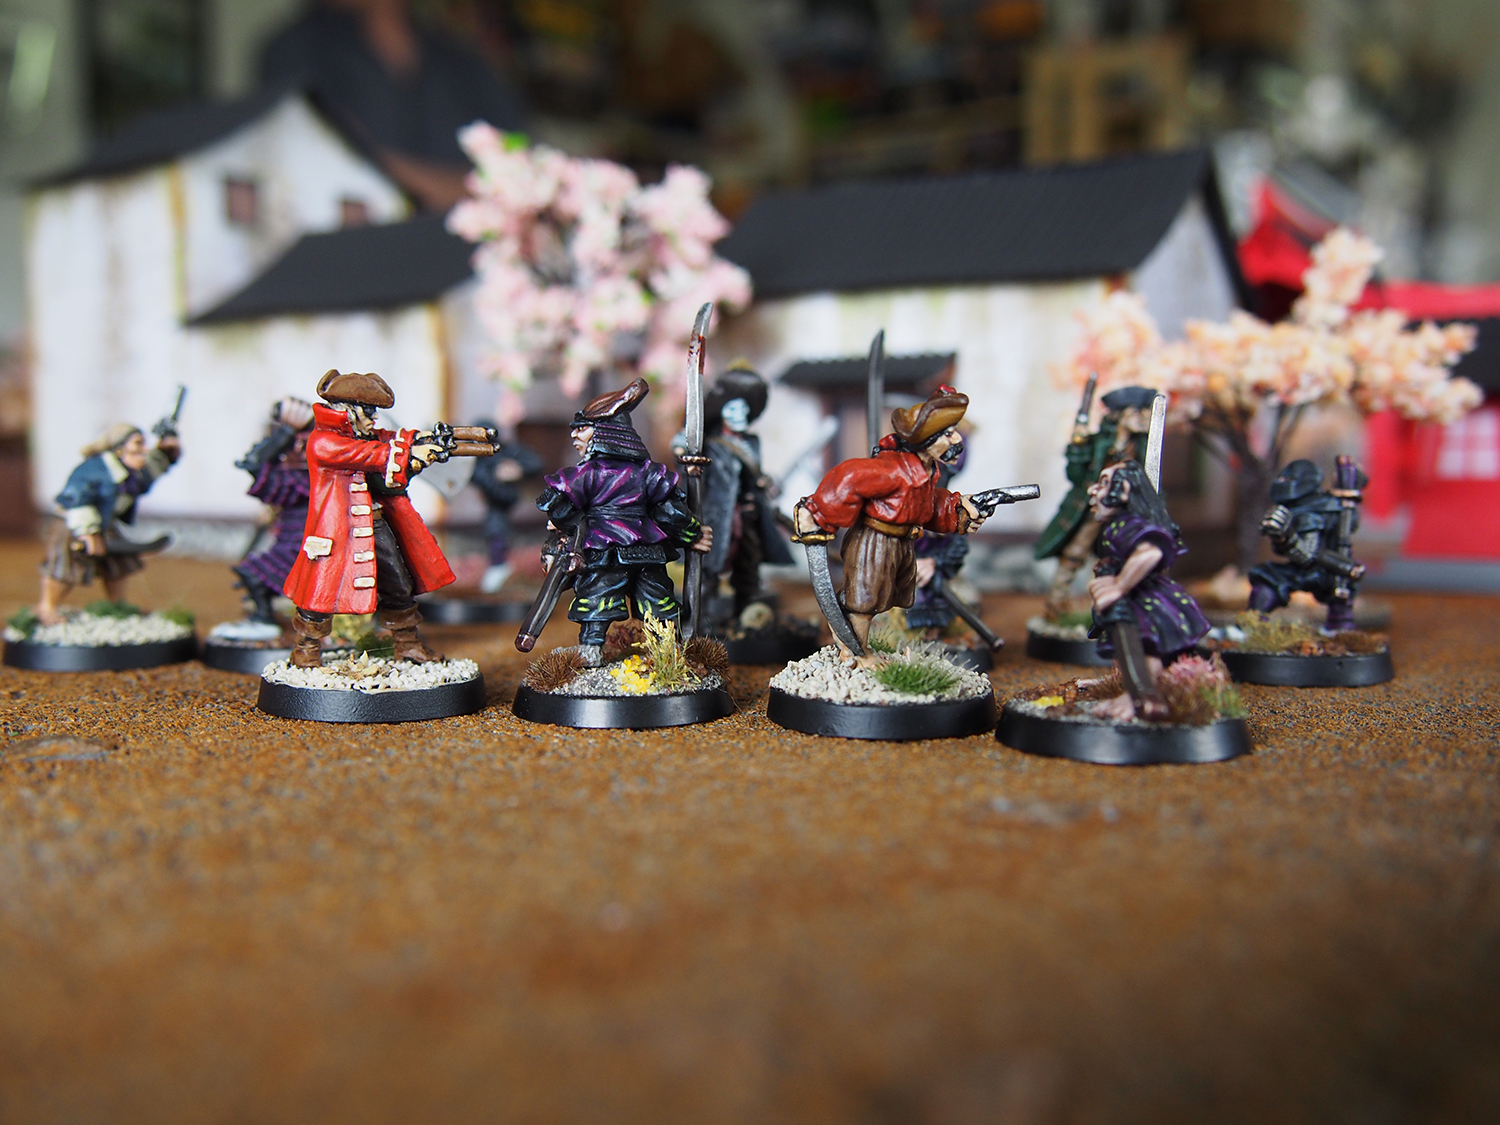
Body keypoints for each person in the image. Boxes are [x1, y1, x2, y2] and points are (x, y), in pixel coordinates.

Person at [259, 0, 527, 211]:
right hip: (360, 253)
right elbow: (319, 166)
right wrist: (462, 192)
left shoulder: (461, 59)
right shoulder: (295, 51)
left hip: (470, 254)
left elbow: (519, 164)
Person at [791, 385, 991, 662]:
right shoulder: (894, 469)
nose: (956, 439)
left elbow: (929, 506)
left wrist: (959, 511)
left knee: (882, 598)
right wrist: (818, 512)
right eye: (947, 433)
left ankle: (848, 631)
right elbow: (849, 478)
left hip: (900, 542)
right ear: (927, 438)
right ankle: (856, 654)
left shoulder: (925, 470)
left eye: (954, 430)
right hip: (876, 542)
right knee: (866, 601)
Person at [282, 369, 455, 667]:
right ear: (349, 411)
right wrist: (410, 454)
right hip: (335, 533)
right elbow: (370, 454)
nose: (373, 418)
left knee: (398, 584)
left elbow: (390, 441)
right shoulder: (324, 442)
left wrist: (423, 441)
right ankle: (305, 649)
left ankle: (408, 644)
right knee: (318, 595)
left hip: (374, 524)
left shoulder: (362, 436)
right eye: (368, 411)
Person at [535, 378, 712, 667]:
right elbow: (672, 513)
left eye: (582, 428)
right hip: (647, 552)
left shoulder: (586, 473)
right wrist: (693, 533)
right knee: (653, 600)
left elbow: (555, 501)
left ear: (606, 432)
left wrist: (568, 522)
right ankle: (664, 651)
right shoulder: (650, 472)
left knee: (599, 597)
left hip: (603, 553)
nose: (574, 435)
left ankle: (597, 649)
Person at [1084, 460, 1211, 721]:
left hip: (1145, 601)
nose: (1093, 490)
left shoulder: (1127, 525)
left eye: (1104, 483)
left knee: (1143, 648)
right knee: (1135, 648)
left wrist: (1119, 586)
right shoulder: (1116, 525)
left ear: (1124, 491)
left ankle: (1143, 698)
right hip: (1136, 599)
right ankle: (1134, 693)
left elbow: (1149, 552)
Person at [679, 362, 794, 624]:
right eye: (733, 408)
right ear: (721, 411)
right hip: (718, 516)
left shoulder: (751, 443)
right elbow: (690, 474)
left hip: (748, 514)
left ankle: (744, 617)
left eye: (744, 408)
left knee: (748, 569)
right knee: (709, 569)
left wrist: (766, 483)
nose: (739, 414)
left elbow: (753, 476)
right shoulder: (707, 444)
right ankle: (702, 619)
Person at [36, 423, 181, 624]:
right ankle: (47, 609)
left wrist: (165, 454)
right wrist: (87, 531)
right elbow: (76, 498)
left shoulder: (130, 472)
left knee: (117, 564)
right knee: (67, 567)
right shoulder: (94, 469)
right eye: (138, 443)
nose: (144, 449)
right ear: (119, 447)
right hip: (73, 524)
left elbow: (149, 473)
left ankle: (117, 606)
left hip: (104, 523)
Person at [1034, 385, 1155, 617]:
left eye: (1143, 412)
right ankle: (1056, 604)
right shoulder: (1098, 443)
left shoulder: (1143, 446)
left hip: (1125, 512)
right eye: (1134, 412)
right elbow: (1076, 475)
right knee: (1074, 553)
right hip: (1093, 508)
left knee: (1115, 558)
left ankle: (1106, 607)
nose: (1141, 418)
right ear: (1119, 415)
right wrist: (1077, 448)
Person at [1248, 457, 1368, 633]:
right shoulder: (1318, 505)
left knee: (1269, 581)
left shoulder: (1311, 513)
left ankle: (1341, 628)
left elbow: (1307, 555)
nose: (1282, 482)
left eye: (1288, 479)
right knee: (1266, 582)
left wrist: (1286, 538)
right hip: (1317, 568)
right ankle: (1251, 627)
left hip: (1323, 572)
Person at [230, 397, 316, 628]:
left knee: (256, 574)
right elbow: (255, 462)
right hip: (290, 537)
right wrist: (285, 432)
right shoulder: (288, 477)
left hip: (312, 543)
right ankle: (264, 617)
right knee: (253, 573)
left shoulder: (314, 477)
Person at [466, 423, 543, 594]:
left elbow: (534, 463)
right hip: (497, 498)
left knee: (497, 525)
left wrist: (517, 469)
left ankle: (499, 566)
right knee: (494, 526)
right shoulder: (477, 461)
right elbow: (479, 477)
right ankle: (497, 565)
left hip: (510, 497)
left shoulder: (507, 450)